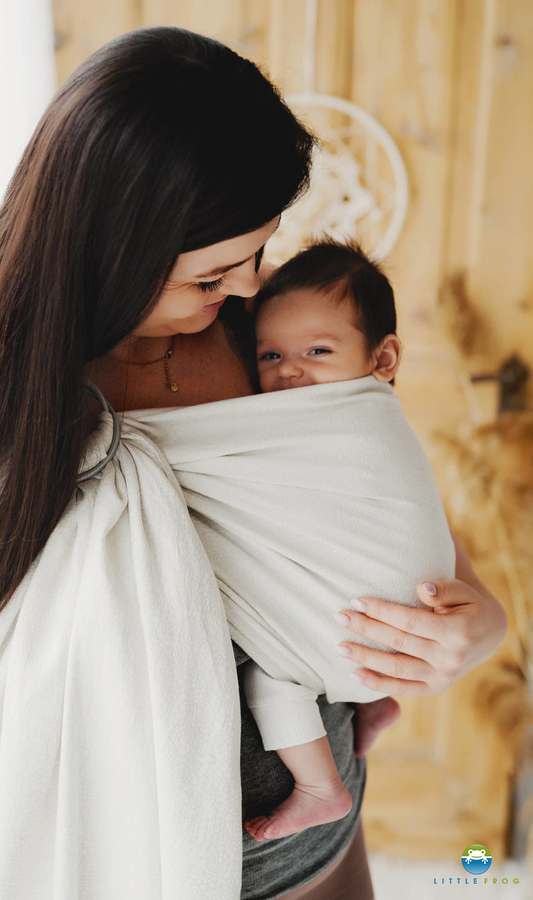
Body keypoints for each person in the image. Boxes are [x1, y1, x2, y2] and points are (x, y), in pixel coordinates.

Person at [0, 27, 507, 900]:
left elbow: (373, 497)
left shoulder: (263, 340)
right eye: (211, 276)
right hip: (133, 863)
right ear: (111, 248)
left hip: (318, 834)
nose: (246, 287)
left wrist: (478, 624)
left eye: (257, 253)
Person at [227, 240, 450, 844]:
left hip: (386, 609)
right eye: (269, 354)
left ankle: (320, 787)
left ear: (384, 358)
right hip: (392, 627)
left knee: (272, 672)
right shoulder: (360, 404)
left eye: (317, 351)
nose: (290, 370)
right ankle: (373, 704)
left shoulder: (347, 416)